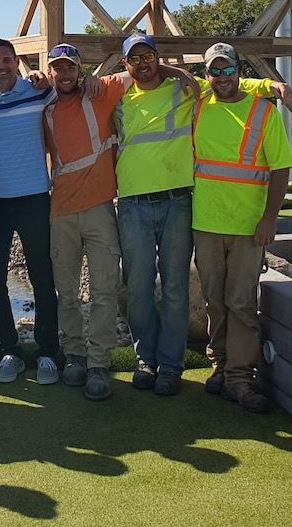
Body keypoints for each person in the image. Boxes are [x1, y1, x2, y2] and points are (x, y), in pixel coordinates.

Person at [114, 33, 287, 397]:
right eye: (135, 59)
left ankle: (197, 370)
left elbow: (227, 81)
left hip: (191, 206)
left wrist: (271, 84)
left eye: (149, 57)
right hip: (166, 212)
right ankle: (169, 361)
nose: (221, 76)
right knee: (151, 289)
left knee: (195, 292)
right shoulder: (140, 95)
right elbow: (78, 87)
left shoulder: (204, 96)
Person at [42, 43, 196, 402]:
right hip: (61, 210)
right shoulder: (42, 106)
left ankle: (99, 363)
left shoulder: (102, 90)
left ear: (81, 70)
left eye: (70, 67)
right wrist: (34, 80)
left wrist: (179, 71)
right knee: (66, 293)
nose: (64, 74)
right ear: (49, 72)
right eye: (56, 68)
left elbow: (144, 71)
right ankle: (75, 356)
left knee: (105, 291)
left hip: (101, 208)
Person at [191, 42, 292, 413]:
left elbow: (281, 168)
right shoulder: (198, 104)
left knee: (242, 303)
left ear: (238, 71)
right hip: (205, 223)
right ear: (207, 75)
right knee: (214, 302)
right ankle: (218, 365)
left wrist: (270, 219)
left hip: (250, 226)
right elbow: (173, 78)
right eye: (213, 71)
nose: (221, 78)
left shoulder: (263, 112)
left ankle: (240, 377)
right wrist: (269, 83)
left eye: (227, 70)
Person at [0, 38, 60, 385]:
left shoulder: (39, 91)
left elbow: (73, 89)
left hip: (35, 198)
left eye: (7, 60)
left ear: (17, 61)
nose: (2, 66)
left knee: (42, 279)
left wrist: (47, 79)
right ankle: (9, 350)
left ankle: (48, 352)